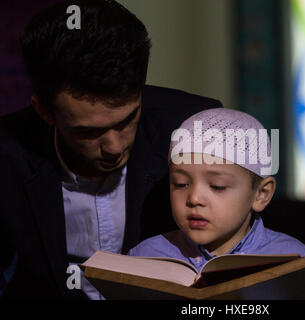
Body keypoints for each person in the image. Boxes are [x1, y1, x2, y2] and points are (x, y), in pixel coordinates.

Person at [0, 0, 222, 299]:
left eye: (127, 120)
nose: (114, 147)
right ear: (45, 113)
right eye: (89, 132)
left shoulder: (196, 126)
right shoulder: (7, 154)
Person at [129, 108, 305, 300]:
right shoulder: (146, 256)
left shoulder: (295, 259)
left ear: (261, 194)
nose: (194, 198)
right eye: (180, 184)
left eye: (217, 186)